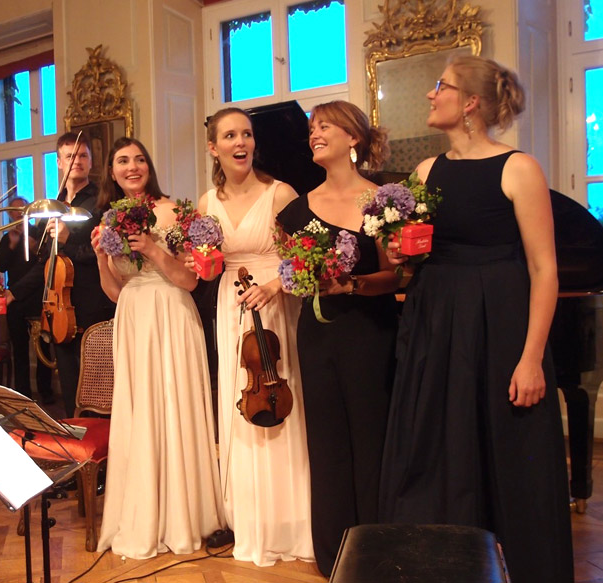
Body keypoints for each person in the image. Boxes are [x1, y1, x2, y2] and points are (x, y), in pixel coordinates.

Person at [378, 56, 573, 583]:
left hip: (499, 328)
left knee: (509, 457)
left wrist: (532, 359)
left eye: (439, 85)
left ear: (470, 102)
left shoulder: (518, 168)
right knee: (435, 454)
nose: (430, 94)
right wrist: (400, 254)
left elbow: (544, 269)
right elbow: (417, 254)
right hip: (435, 327)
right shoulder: (425, 172)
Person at [275, 100, 399, 577]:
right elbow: (292, 278)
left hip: (371, 332)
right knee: (326, 445)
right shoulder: (294, 212)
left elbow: (397, 276)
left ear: (353, 138)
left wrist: (352, 284)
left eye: (325, 125)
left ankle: (378, 550)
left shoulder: (382, 200)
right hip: (318, 334)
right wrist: (302, 278)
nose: (314, 133)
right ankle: (334, 557)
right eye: (312, 127)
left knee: (372, 440)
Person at [93, 137, 225, 558]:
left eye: (139, 159)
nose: (132, 167)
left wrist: (152, 248)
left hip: (172, 312)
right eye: (123, 161)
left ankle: (185, 515)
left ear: (148, 166)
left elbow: (189, 281)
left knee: (175, 403)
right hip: (133, 317)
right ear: (112, 172)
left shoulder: (174, 212)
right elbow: (115, 292)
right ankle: (143, 511)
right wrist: (100, 258)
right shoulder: (109, 220)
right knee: (141, 411)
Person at [196, 107, 314, 566]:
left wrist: (274, 286)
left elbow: (304, 256)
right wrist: (198, 262)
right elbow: (207, 267)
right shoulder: (206, 204)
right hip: (231, 306)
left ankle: (289, 520)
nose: (240, 142)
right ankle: (249, 519)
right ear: (214, 147)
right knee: (242, 398)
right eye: (230, 136)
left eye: (246, 134)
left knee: (283, 396)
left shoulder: (280, 193)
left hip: (275, 304)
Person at [7, 132, 115, 417]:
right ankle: (74, 436)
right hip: (59, 307)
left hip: (93, 305)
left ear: (91, 161)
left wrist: (69, 240)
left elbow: (105, 252)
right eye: (70, 156)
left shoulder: (102, 201)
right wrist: (13, 292)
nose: (76, 161)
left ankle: (99, 441)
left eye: (82, 155)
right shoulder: (51, 206)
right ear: (59, 162)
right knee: (68, 385)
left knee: (96, 389)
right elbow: (46, 262)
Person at [0, 195, 53, 403]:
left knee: (43, 347)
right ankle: (23, 393)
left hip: (38, 297)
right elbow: (0, 265)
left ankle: (46, 391)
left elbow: (45, 264)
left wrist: (33, 245)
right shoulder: (6, 238)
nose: (19, 214)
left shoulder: (40, 232)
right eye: (15, 211)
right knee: (19, 348)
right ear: (10, 214)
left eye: (23, 210)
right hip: (15, 300)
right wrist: (11, 245)